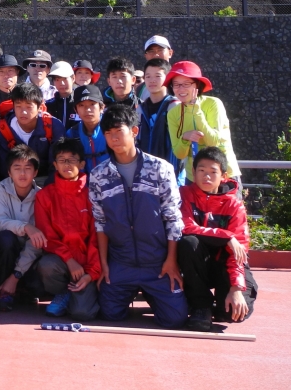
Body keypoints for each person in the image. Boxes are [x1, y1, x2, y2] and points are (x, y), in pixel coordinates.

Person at [89, 104, 187, 328]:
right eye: (108, 133)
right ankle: (131, 290)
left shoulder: (161, 169)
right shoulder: (98, 175)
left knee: (175, 318)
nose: (114, 138)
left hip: (158, 262)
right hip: (121, 262)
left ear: (134, 131)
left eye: (119, 131)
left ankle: (154, 293)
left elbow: (173, 217)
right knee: (109, 313)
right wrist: (105, 264)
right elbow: (100, 222)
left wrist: (171, 261)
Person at [177, 147, 258, 332]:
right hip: (196, 264)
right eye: (201, 170)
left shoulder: (234, 205)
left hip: (224, 265)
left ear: (223, 175)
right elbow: (185, 226)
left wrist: (236, 288)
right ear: (194, 172)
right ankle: (201, 305)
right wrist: (226, 236)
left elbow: (239, 252)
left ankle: (219, 305)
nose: (206, 176)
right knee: (188, 243)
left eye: (213, 172)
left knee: (234, 314)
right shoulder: (184, 195)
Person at [34, 138, 101, 320]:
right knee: (46, 266)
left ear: (81, 164)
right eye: (62, 160)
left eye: (72, 160)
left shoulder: (92, 195)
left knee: (83, 313)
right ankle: (64, 292)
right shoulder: (44, 196)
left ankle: (79, 294)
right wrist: (70, 260)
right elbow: (48, 235)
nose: (67, 164)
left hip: (88, 263)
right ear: (55, 164)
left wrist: (92, 273)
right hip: (62, 261)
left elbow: (97, 237)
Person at [166, 61, 240, 183]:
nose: (181, 89)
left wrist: (197, 112)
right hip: (194, 178)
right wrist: (185, 138)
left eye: (186, 84)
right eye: (176, 85)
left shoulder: (213, 104)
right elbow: (179, 154)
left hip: (223, 175)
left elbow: (213, 142)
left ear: (198, 85)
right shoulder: (173, 113)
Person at [0, 144, 44, 312]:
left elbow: (36, 243)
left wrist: (16, 275)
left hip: (30, 254)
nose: (22, 173)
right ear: (9, 172)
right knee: (5, 239)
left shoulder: (42, 196)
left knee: (36, 287)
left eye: (28, 168)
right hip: (8, 246)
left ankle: (15, 285)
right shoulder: (1, 189)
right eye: (17, 168)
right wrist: (26, 227)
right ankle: (2, 292)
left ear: (35, 172)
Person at [0, 83, 64, 181]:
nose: (23, 112)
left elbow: (57, 163)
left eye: (29, 107)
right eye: (18, 106)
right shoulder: (3, 129)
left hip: (47, 179)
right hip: (16, 181)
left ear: (39, 107)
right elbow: (4, 166)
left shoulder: (53, 125)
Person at [138, 58, 181, 181]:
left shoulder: (174, 106)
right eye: (148, 76)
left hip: (171, 174)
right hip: (145, 175)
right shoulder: (140, 109)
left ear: (167, 78)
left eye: (157, 76)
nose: (152, 80)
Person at [65, 85, 110, 171]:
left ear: (102, 107)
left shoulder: (112, 130)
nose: (87, 110)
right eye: (81, 105)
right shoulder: (72, 134)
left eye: (92, 104)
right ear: (76, 110)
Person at [46, 61, 80, 131]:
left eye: (65, 79)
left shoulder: (81, 103)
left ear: (73, 78)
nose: (61, 83)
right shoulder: (48, 105)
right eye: (57, 79)